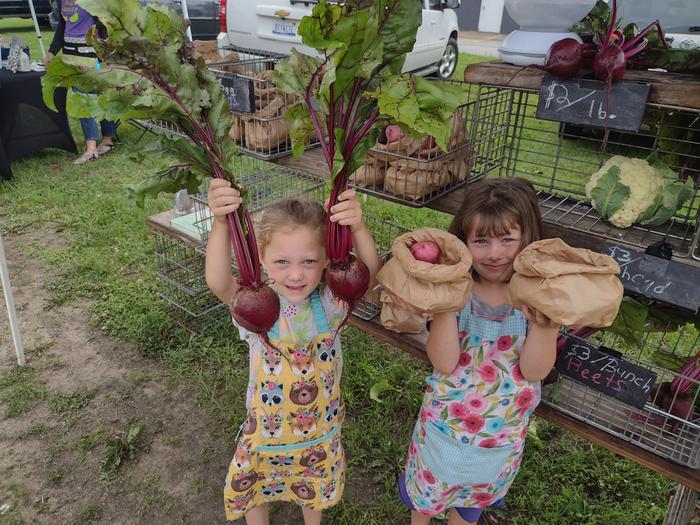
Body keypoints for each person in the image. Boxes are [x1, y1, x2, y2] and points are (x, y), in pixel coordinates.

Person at [205, 179, 381, 525]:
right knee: (254, 483)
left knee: (311, 484)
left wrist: (357, 226)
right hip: (266, 431)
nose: (297, 274)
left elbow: (370, 275)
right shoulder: (256, 307)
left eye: (310, 261)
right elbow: (218, 282)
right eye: (282, 261)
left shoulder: (330, 303)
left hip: (319, 429)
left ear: (328, 259)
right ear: (261, 257)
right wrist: (221, 221)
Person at [396, 178, 560, 525]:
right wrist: (445, 302)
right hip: (447, 423)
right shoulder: (460, 290)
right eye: (481, 241)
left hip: (500, 432)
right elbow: (443, 361)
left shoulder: (534, 297)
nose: (495, 253)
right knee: (425, 497)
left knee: (471, 503)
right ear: (463, 242)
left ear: (527, 238)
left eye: (507, 240)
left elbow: (534, 371)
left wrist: (548, 323)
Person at [46, 0, 116, 165]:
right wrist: (51, 51)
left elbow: (104, 26)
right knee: (90, 96)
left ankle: (94, 146)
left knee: (88, 97)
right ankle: (105, 140)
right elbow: (63, 27)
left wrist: (99, 57)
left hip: (91, 55)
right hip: (71, 55)